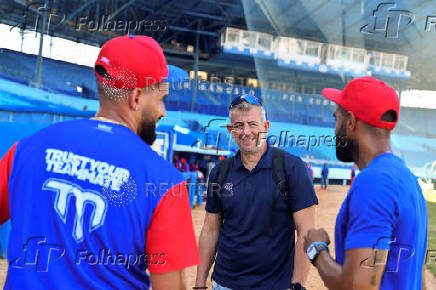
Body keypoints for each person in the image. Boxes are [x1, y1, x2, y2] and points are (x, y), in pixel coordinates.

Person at [0, 35, 200, 289]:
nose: (163, 111)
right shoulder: (164, 181)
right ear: (136, 98)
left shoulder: (26, 150)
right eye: (161, 99)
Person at [304, 76, 428, 289]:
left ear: (350, 121)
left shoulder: (374, 183)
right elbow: (418, 277)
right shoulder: (408, 180)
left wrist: (316, 250)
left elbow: (357, 286)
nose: (334, 131)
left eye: (337, 120)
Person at [195, 94, 318, 290]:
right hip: (224, 284)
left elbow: (306, 232)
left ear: (265, 127)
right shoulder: (220, 172)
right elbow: (210, 230)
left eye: (253, 124)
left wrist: (298, 285)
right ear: (231, 130)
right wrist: (199, 282)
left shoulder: (292, 168)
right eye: (239, 126)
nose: (246, 132)